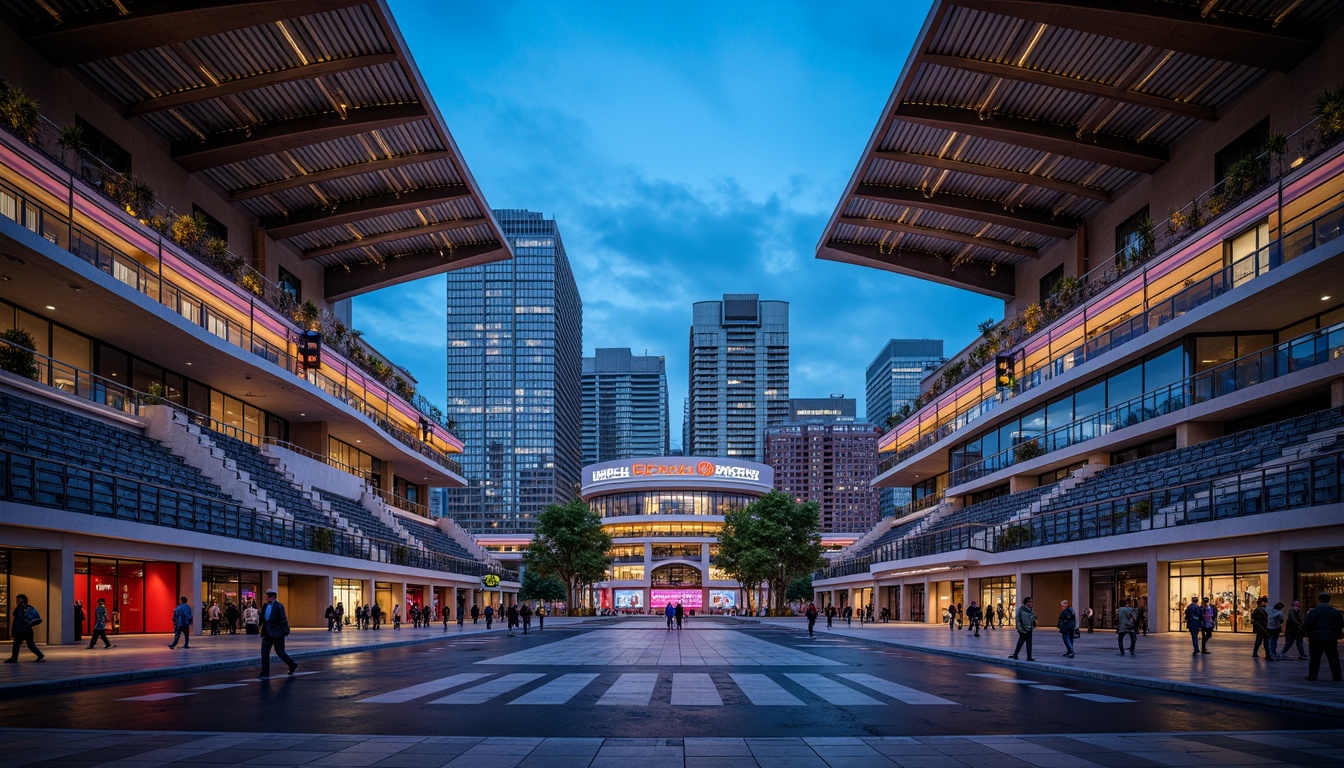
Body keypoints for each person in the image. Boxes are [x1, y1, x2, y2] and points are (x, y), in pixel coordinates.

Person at [1303, 591, 1343, 682]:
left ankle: (1313, 675)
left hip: (1316, 637)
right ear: (1329, 600)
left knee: (1315, 658)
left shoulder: (1313, 612)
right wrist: (1337, 636)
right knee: (1333, 658)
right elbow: (1339, 625)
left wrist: (1309, 635)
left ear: (1319, 600)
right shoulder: (1335, 612)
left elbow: (1307, 625)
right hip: (1330, 637)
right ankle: (1337, 676)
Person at [258, 589, 297, 678]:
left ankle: (292, 664)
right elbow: (262, 618)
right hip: (267, 633)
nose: (266, 597)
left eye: (268, 596)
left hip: (277, 633)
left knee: (280, 651)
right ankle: (265, 671)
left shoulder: (279, 606)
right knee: (264, 652)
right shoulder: (265, 606)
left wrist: (285, 631)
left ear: (273, 597)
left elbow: (283, 619)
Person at [5, 594, 45, 663]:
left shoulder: (23, 608)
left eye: (18, 600)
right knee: (30, 644)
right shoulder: (22, 608)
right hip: (26, 630)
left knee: (17, 644)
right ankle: (39, 654)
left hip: (22, 630)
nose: (16, 601)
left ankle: (14, 658)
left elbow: (22, 618)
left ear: (22, 600)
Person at [1010, 597, 1035, 661]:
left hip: (1029, 629)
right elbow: (1018, 619)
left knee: (1029, 644)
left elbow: (1032, 618)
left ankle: (1029, 657)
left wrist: (1033, 623)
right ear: (1025, 602)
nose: (1030, 603)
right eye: (1029, 601)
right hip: (1023, 630)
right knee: (1020, 642)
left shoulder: (1030, 610)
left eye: (1031, 602)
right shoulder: (1021, 609)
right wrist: (1020, 629)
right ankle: (1015, 654)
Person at [1250, 597, 1273, 661]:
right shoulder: (1263, 610)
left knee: (1259, 641)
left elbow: (1254, 619)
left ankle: (1255, 652)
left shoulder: (1258, 610)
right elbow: (1264, 620)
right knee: (1265, 642)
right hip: (1263, 628)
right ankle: (1267, 655)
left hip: (1261, 628)